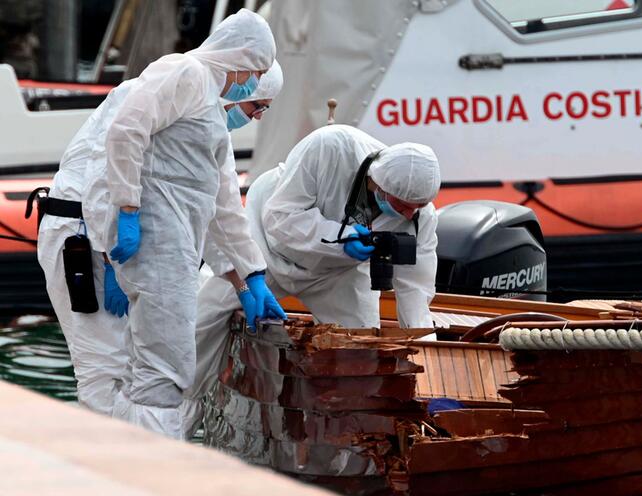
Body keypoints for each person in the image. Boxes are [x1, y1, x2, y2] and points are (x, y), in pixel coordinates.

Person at [36, 43, 284, 421]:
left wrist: (247, 281)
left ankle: (131, 463)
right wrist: (108, 249)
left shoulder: (205, 124)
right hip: (84, 234)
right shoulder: (152, 93)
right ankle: (108, 470)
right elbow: (106, 174)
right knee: (105, 370)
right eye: (257, 107)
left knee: (136, 372)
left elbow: (217, 211)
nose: (258, 117)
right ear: (238, 78)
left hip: (123, 245)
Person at [180, 124, 441, 436]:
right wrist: (338, 236)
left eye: (418, 208)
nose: (410, 215)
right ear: (380, 184)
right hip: (265, 248)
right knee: (202, 321)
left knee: (359, 352)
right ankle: (173, 422)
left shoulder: (421, 217)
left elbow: (416, 295)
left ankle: (350, 438)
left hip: (338, 273)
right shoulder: (329, 147)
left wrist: (430, 377)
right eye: (402, 205)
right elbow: (279, 218)